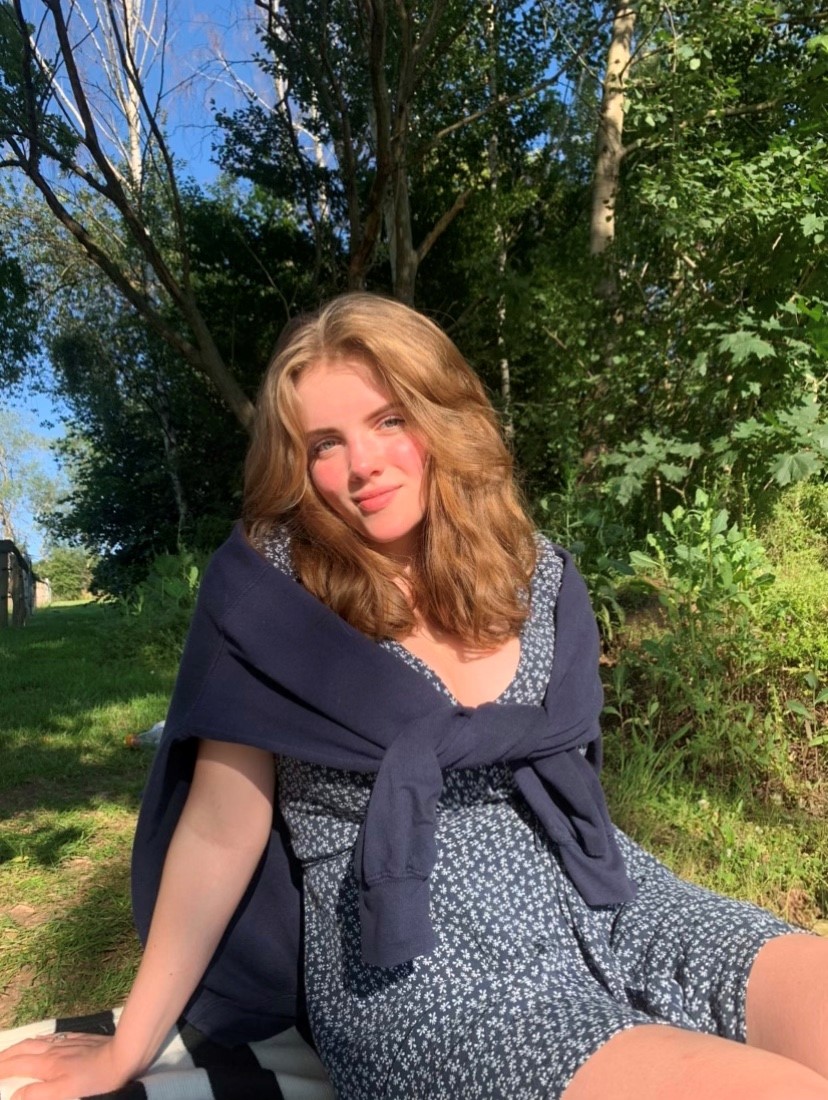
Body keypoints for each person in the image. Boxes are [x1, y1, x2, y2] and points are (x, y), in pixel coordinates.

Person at [2, 292, 828, 1100]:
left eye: (389, 419)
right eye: (325, 444)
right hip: (417, 961)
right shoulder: (270, 594)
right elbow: (221, 830)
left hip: (604, 891)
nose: (361, 465)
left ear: (444, 416)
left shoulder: (535, 573)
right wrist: (127, 1051)